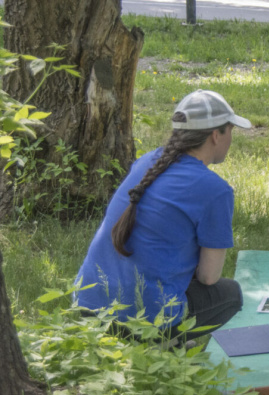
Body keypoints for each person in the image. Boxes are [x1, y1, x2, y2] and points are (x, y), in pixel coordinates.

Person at [75, 90, 250, 343]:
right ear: (216, 135)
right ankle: (165, 345)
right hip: (141, 320)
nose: (231, 138)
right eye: (230, 130)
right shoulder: (216, 190)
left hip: (87, 305)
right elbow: (208, 277)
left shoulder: (147, 161)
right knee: (230, 294)